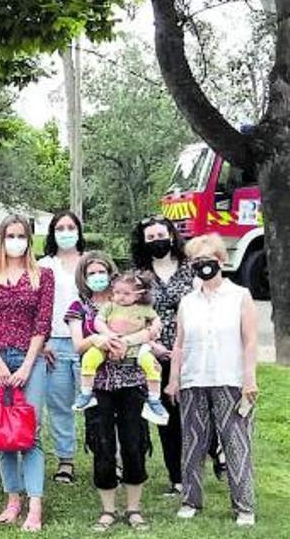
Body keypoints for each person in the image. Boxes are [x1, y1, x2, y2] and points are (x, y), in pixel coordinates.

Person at [167, 234, 259, 527]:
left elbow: (250, 340)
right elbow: (179, 344)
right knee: (193, 444)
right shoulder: (187, 302)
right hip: (194, 379)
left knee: (235, 442)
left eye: (207, 260)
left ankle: (244, 506)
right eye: (196, 261)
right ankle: (191, 500)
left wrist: (249, 378)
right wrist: (173, 379)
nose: (202, 266)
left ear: (221, 261)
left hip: (229, 378)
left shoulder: (240, 296)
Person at [0, 214, 54, 531]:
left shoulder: (42, 275)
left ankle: (35, 505)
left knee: (29, 432)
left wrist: (26, 365)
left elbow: (42, 322)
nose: (16, 241)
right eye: (11, 235)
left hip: (28, 357)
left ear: (29, 240)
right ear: (1, 239)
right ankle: (12, 498)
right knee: (2, 431)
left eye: (21, 236)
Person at [67, 252, 153, 532]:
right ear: (83, 276)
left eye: (101, 271)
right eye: (91, 272)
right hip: (98, 388)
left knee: (134, 443)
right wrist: (98, 339)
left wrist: (125, 341)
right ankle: (107, 510)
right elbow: (78, 346)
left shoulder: (133, 303)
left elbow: (153, 330)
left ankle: (134, 508)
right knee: (102, 444)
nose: (97, 277)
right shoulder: (78, 307)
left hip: (132, 383)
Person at [132, 217, 218, 494]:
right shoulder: (139, 276)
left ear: (171, 236)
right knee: (167, 419)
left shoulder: (190, 269)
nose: (157, 240)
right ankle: (177, 477)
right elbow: (134, 316)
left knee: (199, 412)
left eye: (161, 234)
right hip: (158, 356)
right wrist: (151, 344)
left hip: (194, 352)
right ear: (144, 243)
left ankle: (215, 452)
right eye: (150, 237)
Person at [73, 273, 169, 426]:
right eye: (117, 292)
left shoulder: (143, 309)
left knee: (152, 366)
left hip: (136, 347)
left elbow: (156, 320)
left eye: (126, 293)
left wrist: (155, 326)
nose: (120, 297)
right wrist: (109, 335)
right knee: (89, 358)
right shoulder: (110, 306)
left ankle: (154, 399)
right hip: (109, 343)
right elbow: (98, 321)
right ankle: (86, 393)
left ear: (138, 295)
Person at [36, 211, 85, 484]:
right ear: (53, 233)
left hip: (88, 343)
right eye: (60, 228)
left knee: (97, 404)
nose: (66, 232)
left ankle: (109, 458)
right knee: (59, 405)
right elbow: (36, 307)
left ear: (79, 231)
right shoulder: (44, 266)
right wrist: (42, 342)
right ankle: (65, 460)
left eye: (71, 227)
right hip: (54, 343)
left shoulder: (91, 263)